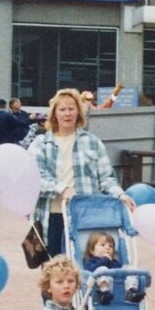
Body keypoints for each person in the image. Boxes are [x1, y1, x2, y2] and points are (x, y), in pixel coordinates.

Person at [29, 87, 136, 257]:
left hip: (85, 216)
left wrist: (120, 194)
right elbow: (35, 177)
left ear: (79, 112)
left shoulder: (92, 142)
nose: (67, 114)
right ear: (54, 113)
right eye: (62, 109)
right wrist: (62, 189)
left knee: (85, 266)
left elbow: (106, 178)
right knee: (55, 270)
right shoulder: (41, 143)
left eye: (71, 109)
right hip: (52, 216)